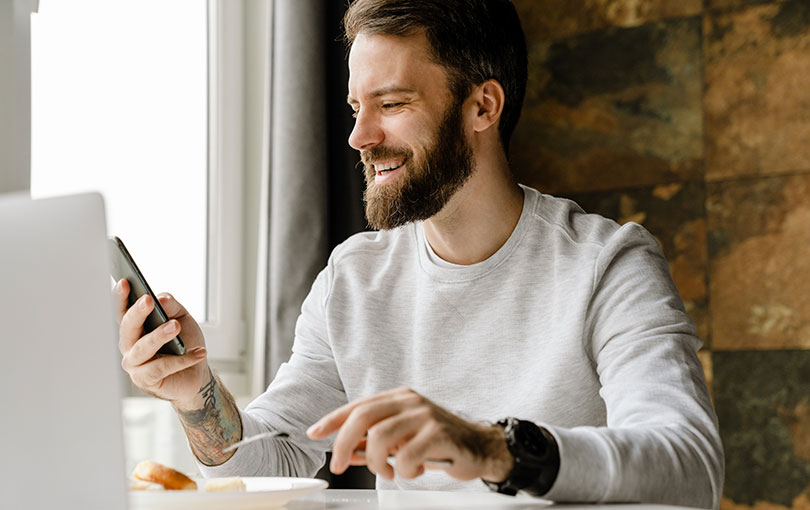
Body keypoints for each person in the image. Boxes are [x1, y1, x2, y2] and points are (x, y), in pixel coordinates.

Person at [115, 0, 724, 507]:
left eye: (393, 103)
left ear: (483, 106)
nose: (359, 136)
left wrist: (492, 448)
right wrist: (197, 396)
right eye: (357, 107)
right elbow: (269, 459)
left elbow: (689, 463)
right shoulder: (352, 279)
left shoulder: (609, 263)